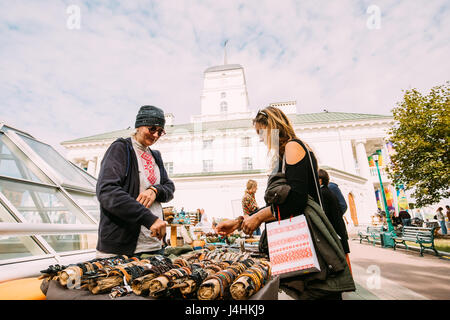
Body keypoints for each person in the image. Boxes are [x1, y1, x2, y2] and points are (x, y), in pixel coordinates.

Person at [215, 107, 355, 300]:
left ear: (272, 127)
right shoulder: (285, 154)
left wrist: (258, 217)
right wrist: (240, 222)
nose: (261, 138)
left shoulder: (293, 146)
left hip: (312, 243)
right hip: (305, 243)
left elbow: (296, 201)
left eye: (260, 132)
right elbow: (281, 202)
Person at [96, 105, 175, 258]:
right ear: (139, 125)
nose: (156, 135)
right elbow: (107, 192)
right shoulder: (121, 148)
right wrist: (148, 218)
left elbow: (169, 187)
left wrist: (155, 190)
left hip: (154, 244)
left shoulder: (155, 156)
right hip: (123, 248)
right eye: (152, 129)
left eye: (160, 131)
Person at [318, 169, 350, 254]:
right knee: (343, 255)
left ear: (320, 180)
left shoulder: (323, 193)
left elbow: (325, 214)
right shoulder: (328, 191)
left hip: (334, 230)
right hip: (339, 229)